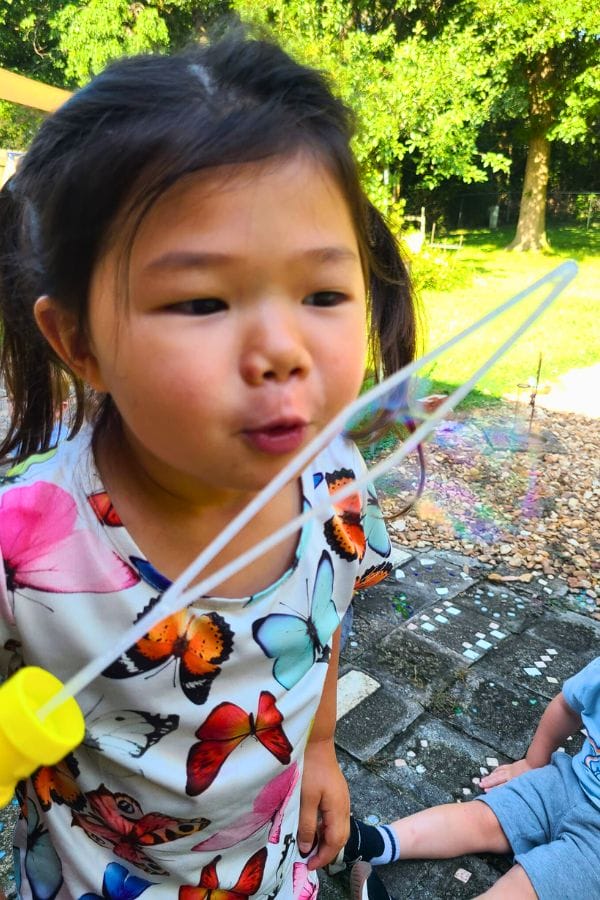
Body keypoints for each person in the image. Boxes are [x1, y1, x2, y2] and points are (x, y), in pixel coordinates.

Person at [0, 29, 418, 900]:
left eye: (323, 294)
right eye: (201, 300)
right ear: (79, 341)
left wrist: (321, 746)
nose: (282, 350)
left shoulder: (335, 483)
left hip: (273, 871)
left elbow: (325, 615)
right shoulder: (26, 542)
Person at [337, 656, 600, 900]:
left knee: (527, 886)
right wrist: (533, 762)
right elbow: (568, 705)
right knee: (481, 817)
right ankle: (369, 842)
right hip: (566, 782)